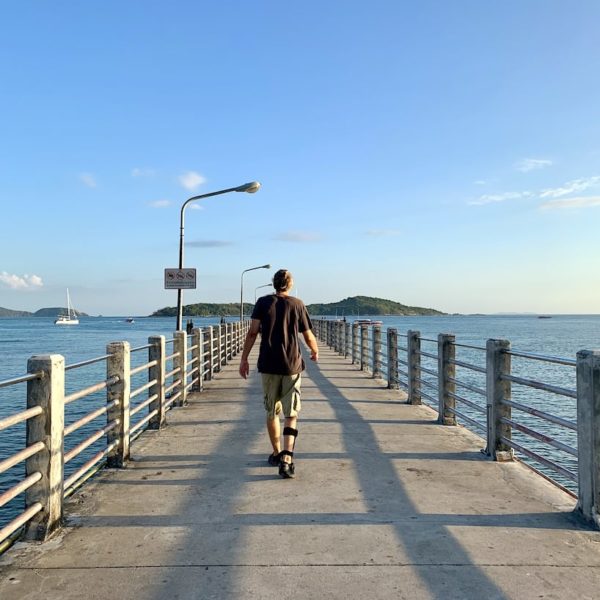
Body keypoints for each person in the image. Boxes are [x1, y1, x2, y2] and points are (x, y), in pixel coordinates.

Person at [239, 269, 319, 479]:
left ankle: (276, 452)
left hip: (268, 364)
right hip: (292, 365)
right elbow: (307, 334)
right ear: (290, 284)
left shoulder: (263, 303)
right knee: (291, 413)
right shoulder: (298, 304)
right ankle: (287, 458)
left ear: (274, 283)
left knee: (271, 411)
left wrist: (244, 358)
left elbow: (253, 332)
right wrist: (314, 350)